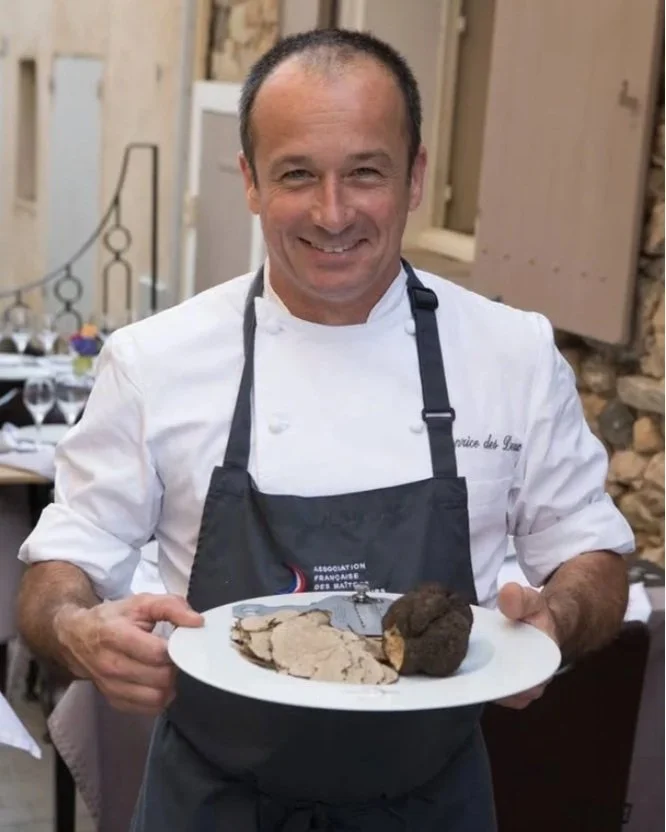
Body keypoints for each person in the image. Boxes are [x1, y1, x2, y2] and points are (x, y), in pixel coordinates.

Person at [17, 28, 632, 832]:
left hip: (432, 808)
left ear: (415, 177)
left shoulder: (510, 354)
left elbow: (593, 556)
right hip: (212, 806)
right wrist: (76, 628)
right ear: (249, 181)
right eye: (297, 174)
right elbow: (58, 568)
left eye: (365, 173)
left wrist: (558, 621)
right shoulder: (154, 361)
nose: (332, 213)